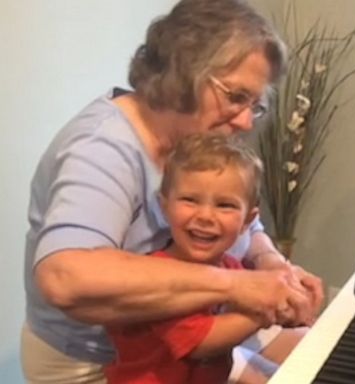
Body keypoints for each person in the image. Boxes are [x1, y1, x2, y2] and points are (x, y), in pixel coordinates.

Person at [20, 0, 323, 383]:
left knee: (307, 348)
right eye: (235, 97)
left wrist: (271, 264)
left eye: (254, 105)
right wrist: (236, 286)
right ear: (186, 73)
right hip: (98, 359)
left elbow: (243, 221)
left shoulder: (193, 136)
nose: (246, 121)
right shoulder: (103, 149)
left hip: (184, 333)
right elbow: (64, 277)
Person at [104, 132, 299, 384]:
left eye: (225, 205)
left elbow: (253, 300)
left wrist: (291, 298)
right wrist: (267, 310)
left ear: (247, 221)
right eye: (189, 200)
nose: (205, 216)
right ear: (165, 207)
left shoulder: (231, 267)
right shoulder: (159, 276)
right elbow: (201, 343)